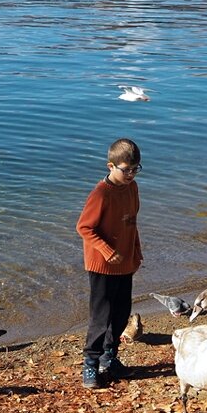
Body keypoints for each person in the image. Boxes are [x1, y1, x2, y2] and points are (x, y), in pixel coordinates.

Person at [76, 138, 143, 388]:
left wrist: (136, 252)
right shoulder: (101, 193)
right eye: (126, 169)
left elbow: (131, 223)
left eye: (135, 169)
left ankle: (109, 357)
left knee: (121, 313)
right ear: (110, 166)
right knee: (101, 316)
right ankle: (90, 365)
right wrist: (106, 249)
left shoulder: (133, 187)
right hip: (101, 264)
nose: (131, 174)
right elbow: (83, 227)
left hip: (125, 262)